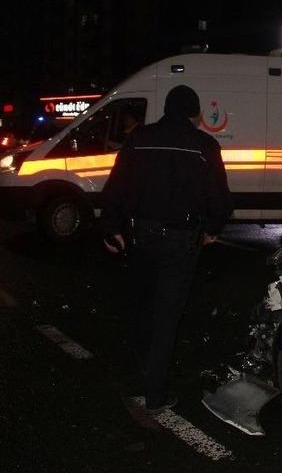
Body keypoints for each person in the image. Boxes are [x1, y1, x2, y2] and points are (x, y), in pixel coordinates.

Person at [100, 85, 232, 413]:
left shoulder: (139, 138)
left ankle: (143, 375)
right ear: (195, 114)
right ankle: (155, 393)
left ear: (166, 109)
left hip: (142, 236)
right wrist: (212, 229)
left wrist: (111, 228)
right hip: (181, 241)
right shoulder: (204, 145)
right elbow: (219, 198)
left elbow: (116, 187)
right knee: (167, 315)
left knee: (142, 308)